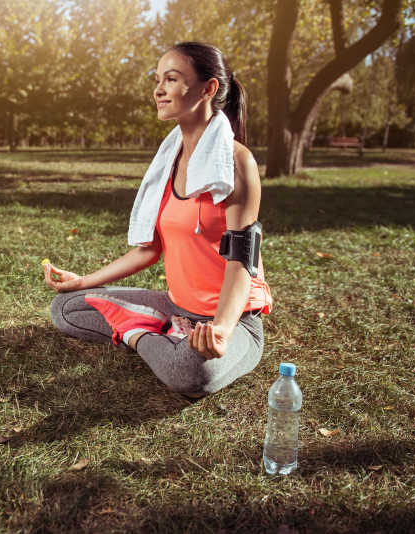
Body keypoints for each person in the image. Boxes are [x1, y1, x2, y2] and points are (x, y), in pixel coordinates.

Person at [44, 42, 272, 398]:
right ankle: (154, 333)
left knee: (192, 374)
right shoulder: (169, 161)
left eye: (172, 79)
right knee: (67, 308)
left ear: (207, 88)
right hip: (178, 307)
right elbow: (148, 250)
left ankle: (149, 334)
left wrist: (223, 332)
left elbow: (241, 261)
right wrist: (83, 280)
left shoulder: (236, 162)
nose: (158, 89)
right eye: (157, 79)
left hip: (232, 319)